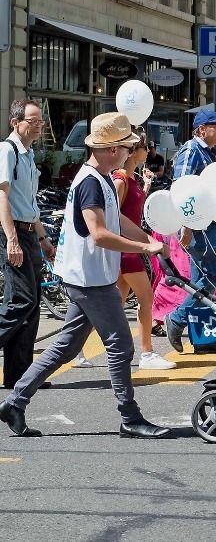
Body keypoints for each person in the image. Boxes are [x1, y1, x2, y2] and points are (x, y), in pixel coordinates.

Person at [0, 113, 171, 438]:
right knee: (121, 344)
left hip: (88, 275)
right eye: (125, 147)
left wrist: (152, 240)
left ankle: (15, 402)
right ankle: (130, 418)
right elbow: (99, 234)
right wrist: (144, 248)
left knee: (66, 346)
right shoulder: (92, 182)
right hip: (89, 279)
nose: (129, 152)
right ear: (110, 149)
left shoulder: (102, 177)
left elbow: (117, 220)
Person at [165, 107, 216, 355]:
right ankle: (177, 318)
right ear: (202, 129)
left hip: (207, 223)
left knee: (200, 278)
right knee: (212, 273)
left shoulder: (209, 153)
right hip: (197, 225)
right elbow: (181, 188)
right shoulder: (192, 151)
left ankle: (203, 338)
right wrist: (186, 224)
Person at [0, 99, 56, 390]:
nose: (38, 126)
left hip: (29, 232)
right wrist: (11, 239)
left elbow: (29, 203)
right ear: (15, 123)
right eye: (32, 121)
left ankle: (19, 375)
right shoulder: (6, 151)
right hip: (12, 232)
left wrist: (43, 237)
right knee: (22, 301)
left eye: (40, 121)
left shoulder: (28, 154)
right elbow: (3, 198)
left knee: (31, 305)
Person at [112, 128, 175, 371]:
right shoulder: (120, 178)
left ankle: (80, 346)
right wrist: (145, 242)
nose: (148, 151)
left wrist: (145, 185)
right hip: (126, 248)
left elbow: (131, 209)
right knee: (146, 298)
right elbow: (113, 215)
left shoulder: (131, 178)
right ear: (132, 152)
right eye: (144, 147)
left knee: (116, 303)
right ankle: (146, 352)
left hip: (129, 247)